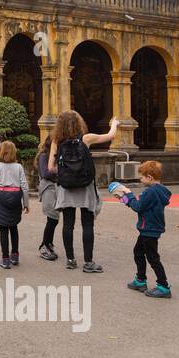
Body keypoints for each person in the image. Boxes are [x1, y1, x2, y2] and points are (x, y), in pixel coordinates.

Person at [47, 110, 119, 273]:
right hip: (85, 186)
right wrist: (114, 124)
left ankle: (71, 260)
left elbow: (50, 168)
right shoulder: (86, 139)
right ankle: (88, 262)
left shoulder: (56, 141)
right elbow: (110, 136)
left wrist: (66, 170)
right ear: (79, 123)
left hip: (66, 187)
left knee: (68, 224)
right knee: (87, 224)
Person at [114, 161, 173, 298]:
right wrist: (125, 200)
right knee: (138, 252)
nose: (140, 179)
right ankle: (140, 280)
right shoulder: (160, 190)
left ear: (150, 177)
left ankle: (163, 286)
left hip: (149, 229)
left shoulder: (150, 192)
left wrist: (128, 195)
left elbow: (138, 206)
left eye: (142, 177)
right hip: (150, 228)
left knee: (152, 257)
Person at [0, 140, 30, 268]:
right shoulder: (18, 167)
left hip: (2, 200)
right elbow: (24, 186)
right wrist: (26, 203)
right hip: (16, 199)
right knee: (14, 228)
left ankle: (5, 258)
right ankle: (15, 255)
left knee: (3, 229)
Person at [35, 135, 61, 260]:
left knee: (54, 219)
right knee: (52, 218)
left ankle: (48, 244)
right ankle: (44, 246)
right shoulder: (44, 156)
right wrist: (59, 169)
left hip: (55, 189)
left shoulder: (55, 156)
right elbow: (45, 173)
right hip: (48, 189)